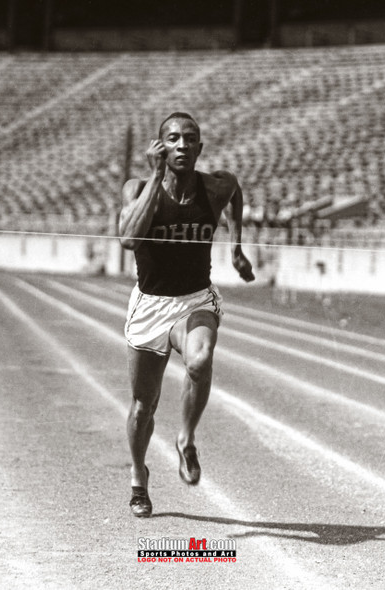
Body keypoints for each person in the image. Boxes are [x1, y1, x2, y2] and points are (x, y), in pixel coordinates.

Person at [119, 112, 255, 517]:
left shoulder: (214, 187)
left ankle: (186, 439)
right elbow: (128, 238)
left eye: (189, 138)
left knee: (200, 359)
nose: (182, 144)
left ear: (200, 148)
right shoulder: (138, 188)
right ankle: (139, 476)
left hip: (195, 300)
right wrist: (156, 175)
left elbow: (235, 192)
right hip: (150, 305)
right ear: (160, 146)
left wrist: (236, 246)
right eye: (173, 138)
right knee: (144, 405)